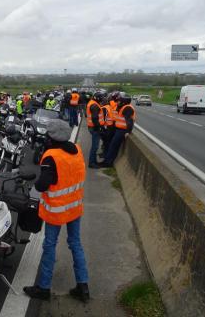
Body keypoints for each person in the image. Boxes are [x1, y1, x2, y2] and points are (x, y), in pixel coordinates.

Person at [23, 119, 89, 302]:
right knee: (75, 243)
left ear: (51, 138)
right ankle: (83, 286)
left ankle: (43, 288)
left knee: (50, 245)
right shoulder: (77, 150)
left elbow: (43, 184)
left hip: (57, 210)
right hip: (75, 207)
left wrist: (35, 184)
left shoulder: (51, 156)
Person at [100, 95, 135, 168]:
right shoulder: (123, 107)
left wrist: (128, 131)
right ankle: (107, 161)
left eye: (119, 101)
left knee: (113, 146)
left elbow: (129, 121)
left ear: (123, 102)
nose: (117, 102)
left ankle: (108, 163)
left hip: (122, 131)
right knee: (113, 145)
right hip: (119, 129)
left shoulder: (127, 108)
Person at [86, 92, 105, 168]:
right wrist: (99, 127)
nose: (102, 99)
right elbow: (94, 118)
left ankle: (94, 161)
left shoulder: (91, 103)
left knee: (95, 145)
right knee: (95, 146)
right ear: (98, 98)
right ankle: (91, 163)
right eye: (101, 98)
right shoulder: (95, 105)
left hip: (92, 127)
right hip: (95, 128)